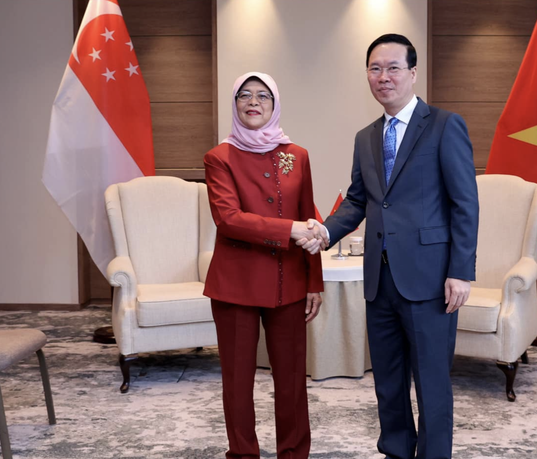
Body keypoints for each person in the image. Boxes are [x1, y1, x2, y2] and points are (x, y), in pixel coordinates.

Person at [301, 34, 479, 459]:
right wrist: (325, 232)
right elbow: (360, 201)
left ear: (413, 73)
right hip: (379, 280)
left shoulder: (443, 125)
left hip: (431, 279)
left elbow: (464, 203)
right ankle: (397, 452)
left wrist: (461, 271)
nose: (384, 77)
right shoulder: (366, 137)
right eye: (375, 68)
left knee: (432, 383)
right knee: (388, 380)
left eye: (393, 67)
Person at [203, 71, 325, 459]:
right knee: (237, 382)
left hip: (288, 281)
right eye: (244, 95)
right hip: (235, 285)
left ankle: (294, 454)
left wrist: (315, 281)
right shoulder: (218, 157)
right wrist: (290, 229)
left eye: (262, 96)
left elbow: (311, 217)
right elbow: (229, 218)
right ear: (235, 105)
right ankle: (242, 454)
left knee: (291, 381)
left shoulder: (298, 155)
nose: (253, 102)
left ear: (274, 106)